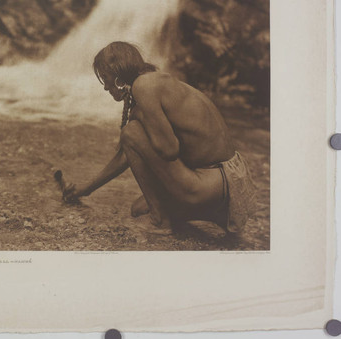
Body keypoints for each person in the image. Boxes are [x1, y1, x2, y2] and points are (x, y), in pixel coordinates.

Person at [63, 41, 257, 233]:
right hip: (227, 181)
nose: (105, 87)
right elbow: (126, 156)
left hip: (215, 180)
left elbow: (169, 149)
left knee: (131, 132)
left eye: (105, 77)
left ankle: (161, 221)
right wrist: (86, 189)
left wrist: (138, 116)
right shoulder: (153, 81)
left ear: (117, 77)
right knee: (138, 209)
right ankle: (215, 214)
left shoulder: (144, 86)